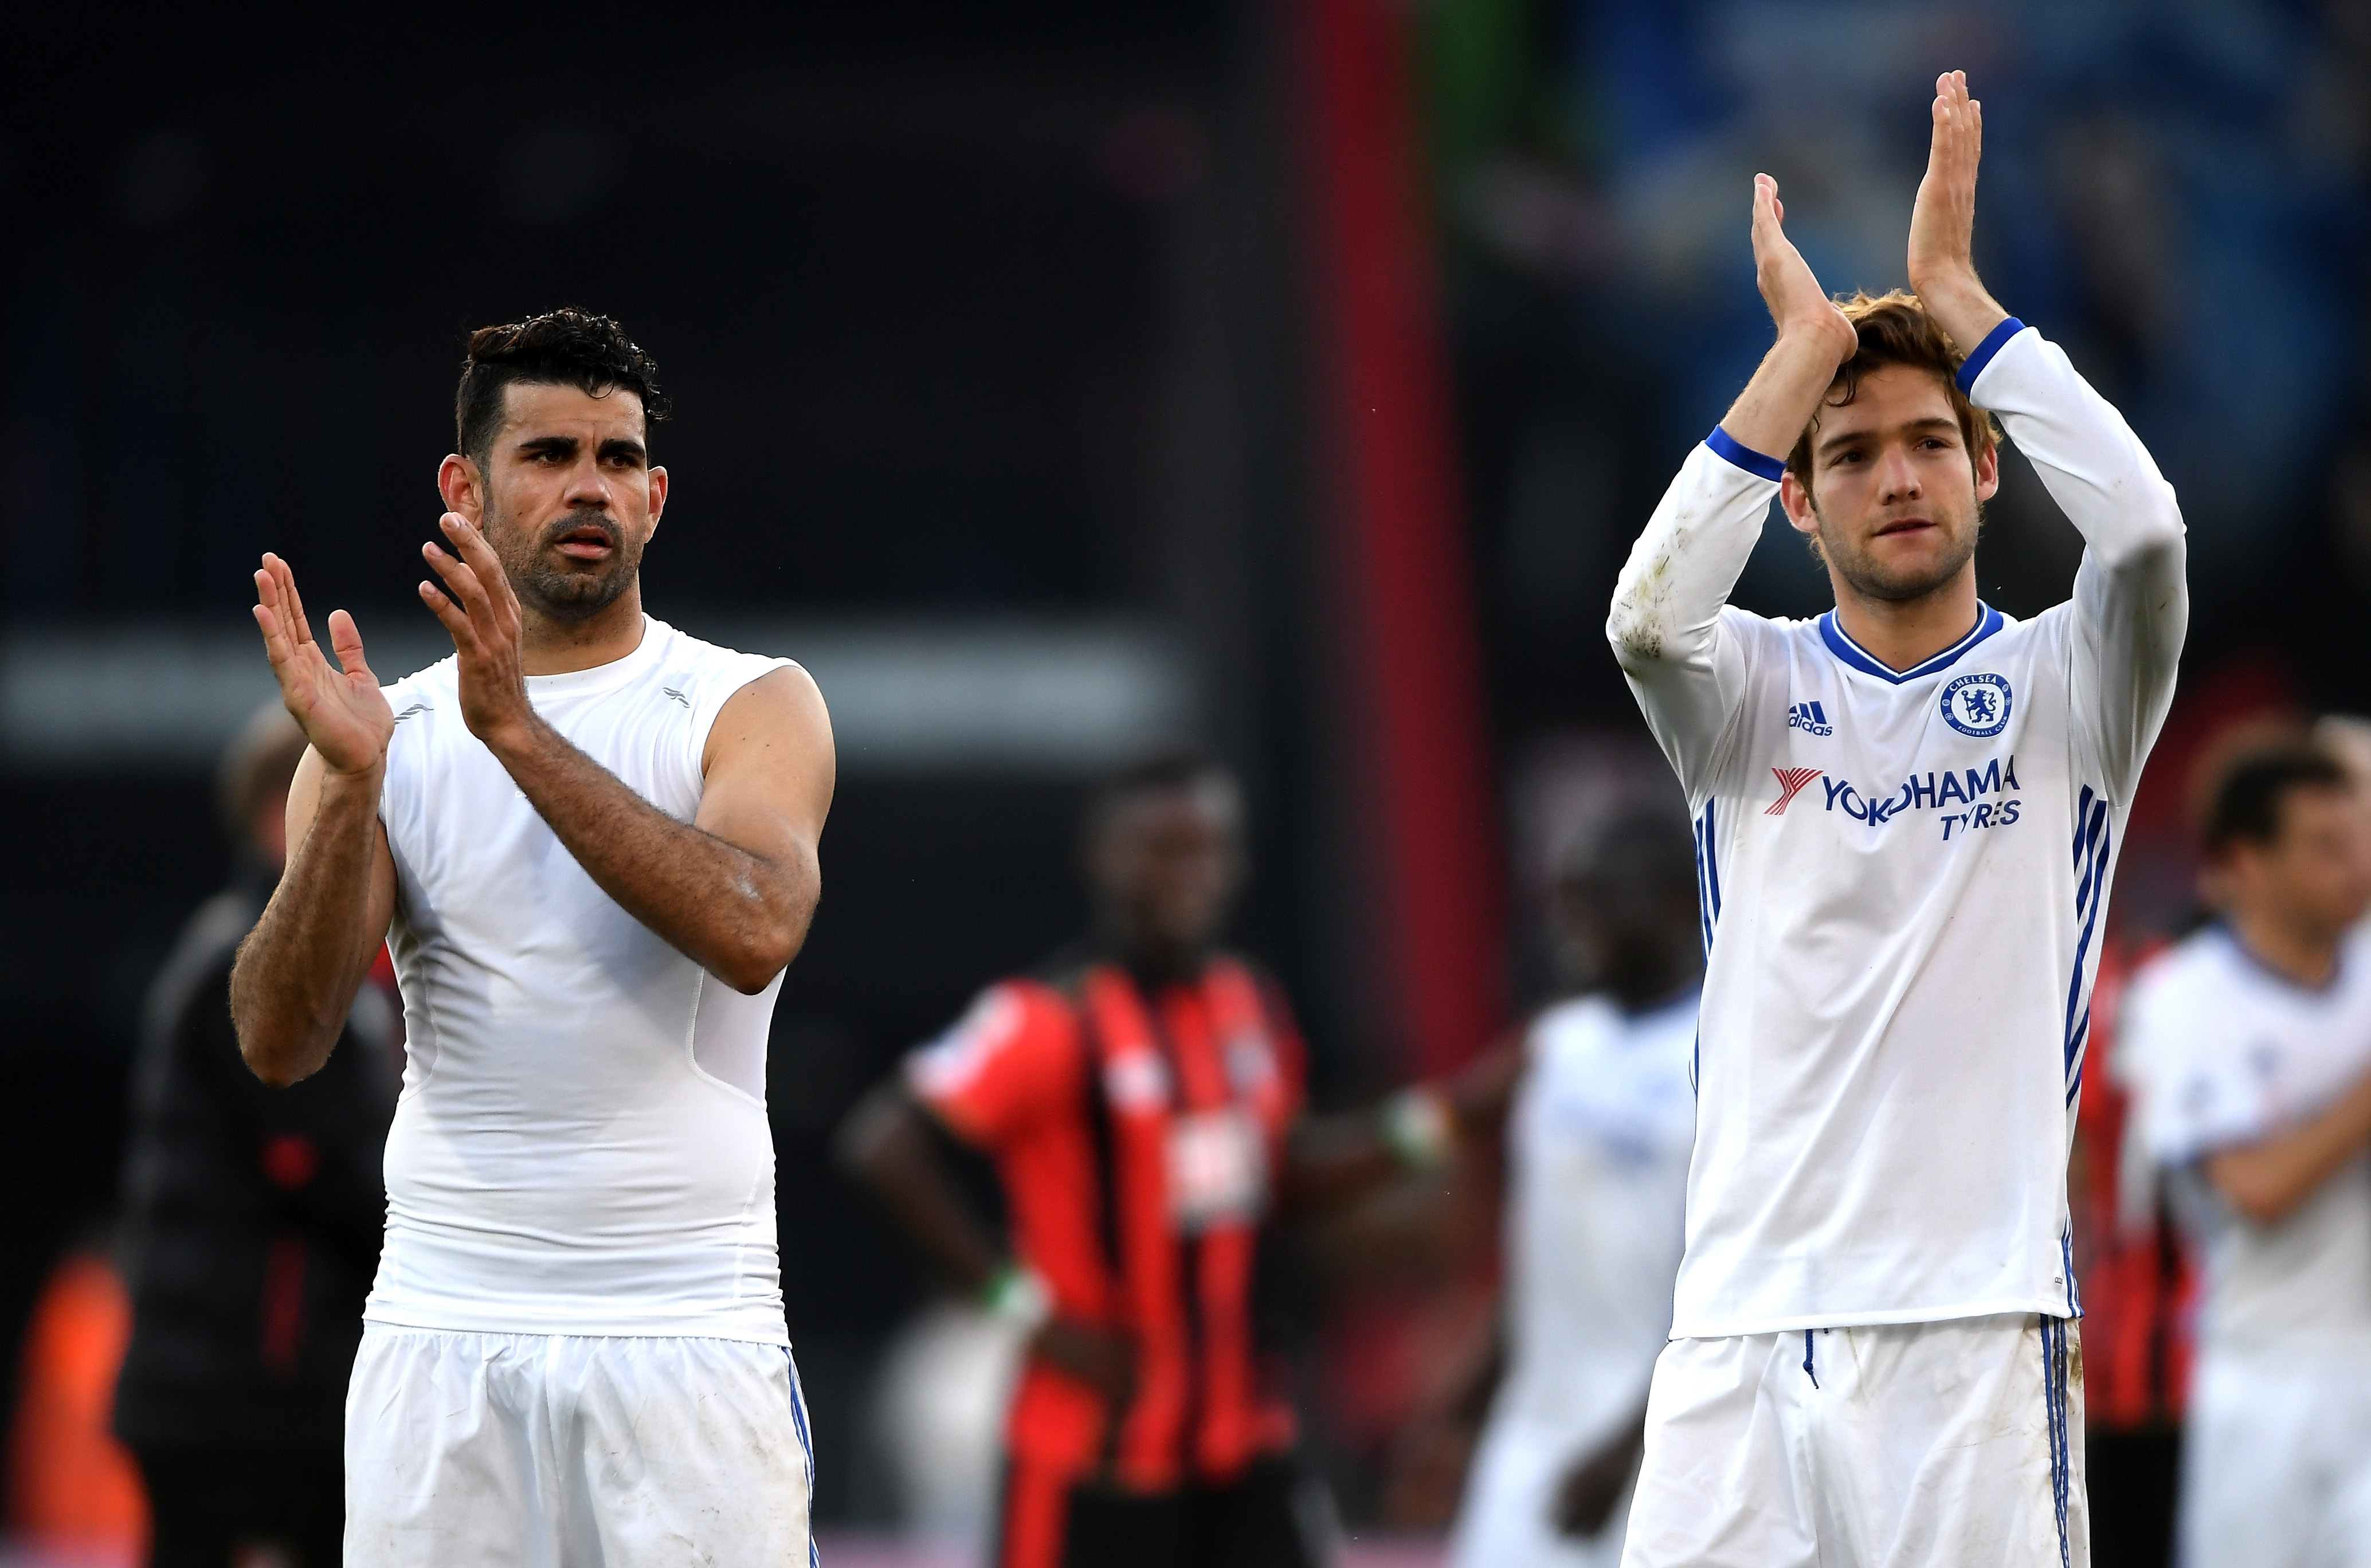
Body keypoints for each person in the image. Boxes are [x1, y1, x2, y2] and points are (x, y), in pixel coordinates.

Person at [1604, 72, 2186, 1565]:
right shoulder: (1747, 690)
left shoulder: (2076, 683)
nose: (1898, 476)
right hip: (1738, 1327)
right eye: (1849, 455)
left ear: (1988, 468)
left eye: (1931, 440)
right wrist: (1798, 359)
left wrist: (1960, 303)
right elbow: (1647, 619)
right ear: (1798, 505)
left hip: (1970, 1336)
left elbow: (2143, 530)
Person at [229, 308, 837, 1567]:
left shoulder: (745, 701)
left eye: (618, 460)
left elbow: (754, 928)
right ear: (465, 486)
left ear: (657, 499)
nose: (588, 487)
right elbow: (279, 1043)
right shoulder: (377, 736)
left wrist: (516, 730)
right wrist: (344, 791)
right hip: (441, 1330)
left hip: (686, 1331)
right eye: (548, 453)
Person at [840, 750, 1464, 1568]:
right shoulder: (1047, 1018)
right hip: (1090, 1458)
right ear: (1106, 858)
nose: (1191, 873)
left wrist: (1441, 1121)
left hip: (1241, 1444)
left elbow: (1283, 1173)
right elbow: (883, 1146)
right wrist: (1023, 1314)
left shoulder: (1248, 1006)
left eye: (1207, 848)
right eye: (1164, 850)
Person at [114, 701, 397, 1567]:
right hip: (242, 1393)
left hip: (246, 1383)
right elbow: (320, 1170)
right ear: (286, 809)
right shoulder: (249, 971)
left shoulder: (265, 958)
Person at [2116, 740, 2371, 1567]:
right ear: (2246, 862)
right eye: (2325, 846)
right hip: (2266, 1384)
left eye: (2359, 838)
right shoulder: (2184, 999)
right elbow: (2254, 1189)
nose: (2356, 864)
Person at [1439, 801, 1702, 1568]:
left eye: (1597, 897)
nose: (1571, 920)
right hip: (1532, 1434)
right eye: (1566, 897)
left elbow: (1735, 1281)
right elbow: (1537, 1257)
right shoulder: (1551, 1047)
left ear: (1675, 903)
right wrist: (1460, 1413)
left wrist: (1630, 1447)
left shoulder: (1723, 1048)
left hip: (1664, 1445)